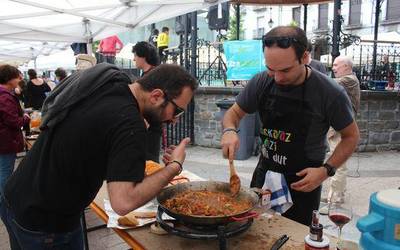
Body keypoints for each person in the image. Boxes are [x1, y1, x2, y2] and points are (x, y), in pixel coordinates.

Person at [0, 63, 197, 249]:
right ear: (155, 96)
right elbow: (123, 202)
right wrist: (175, 166)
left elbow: (95, 141)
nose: (173, 120)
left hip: (15, 198)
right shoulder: (129, 123)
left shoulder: (109, 81)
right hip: (45, 223)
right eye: (177, 111)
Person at [221, 26, 359, 225]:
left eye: (285, 70)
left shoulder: (330, 93)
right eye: (270, 69)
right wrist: (229, 130)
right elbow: (233, 113)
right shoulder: (261, 81)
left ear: (304, 57)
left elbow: (351, 136)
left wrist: (326, 170)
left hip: (304, 183)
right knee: (253, 232)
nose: (277, 78)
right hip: (264, 176)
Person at [321, 55, 360, 209]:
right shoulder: (349, 80)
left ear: (346, 66)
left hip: (342, 130)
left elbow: (327, 83)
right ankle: (335, 194)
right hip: (338, 127)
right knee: (335, 160)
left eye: (337, 65)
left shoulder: (350, 79)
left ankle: (335, 199)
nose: (334, 68)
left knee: (338, 163)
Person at [0, 65, 31, 204]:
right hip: (5, 142)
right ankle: (5, 201)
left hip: (4, 141)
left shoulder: (4, 94)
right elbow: (13, 121)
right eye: (17, 76)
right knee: (5, 172)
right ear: (9, 79)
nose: (19, 79)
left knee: (4, 170)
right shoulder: (4, 96)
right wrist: (25, 118)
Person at [132, 41, 162, 162]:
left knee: (150, 162)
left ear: (142, 56)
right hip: (146, 126)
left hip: (150, 126)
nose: (134, 59)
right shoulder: (148, 74)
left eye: (135, 55)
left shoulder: (155, 75)